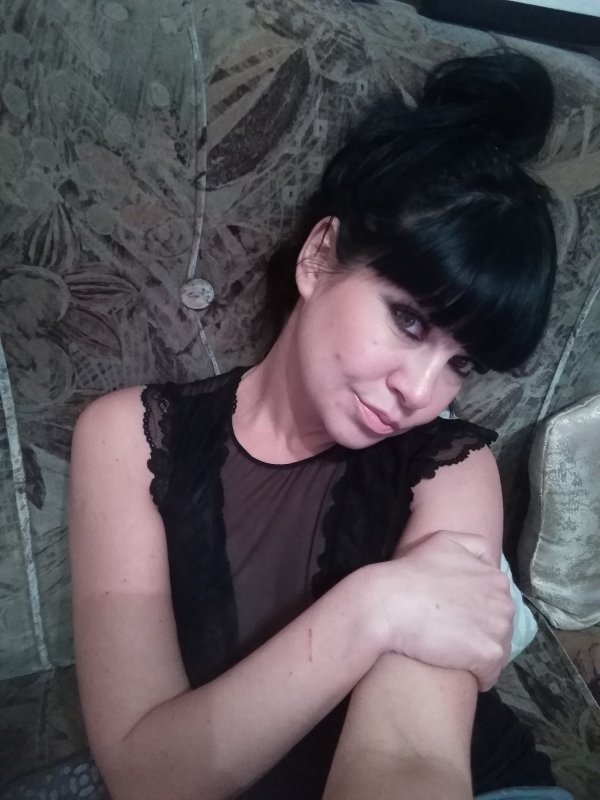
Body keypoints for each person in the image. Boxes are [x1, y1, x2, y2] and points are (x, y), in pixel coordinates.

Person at [69, 51, 572, 800]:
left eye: (462, 363)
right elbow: (147, 777)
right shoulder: (129, 440)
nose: (422, 393)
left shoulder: (447, 469)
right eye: (409, 320)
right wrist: (375, 607)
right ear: (317, 256)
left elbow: (411, 755)